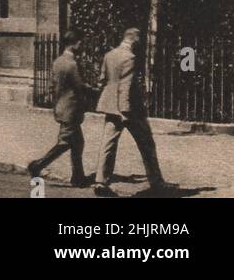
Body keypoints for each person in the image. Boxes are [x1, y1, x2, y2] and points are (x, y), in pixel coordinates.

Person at [93, 27, 166, 196]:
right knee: (147, 143)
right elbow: (126, 86)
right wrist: (125, 110)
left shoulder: (110, 55)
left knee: (108, 144)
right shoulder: (130, 57)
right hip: (129, 110)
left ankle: (101, 182)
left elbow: (102, 79)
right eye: (138, 42)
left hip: (110, 106)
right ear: (133, 40)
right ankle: (156, 181)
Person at [28, 30, 95, 186]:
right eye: (81, 43)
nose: (82, 46)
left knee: (78, 143)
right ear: (76, 43)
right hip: (71, 109)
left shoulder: (57, 61)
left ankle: (78, 177)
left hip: (62, 106)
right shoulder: (72, 64)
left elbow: (53, 85)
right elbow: (80, 86)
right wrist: (97, 90)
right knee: (65, 143)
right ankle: (37, 165)